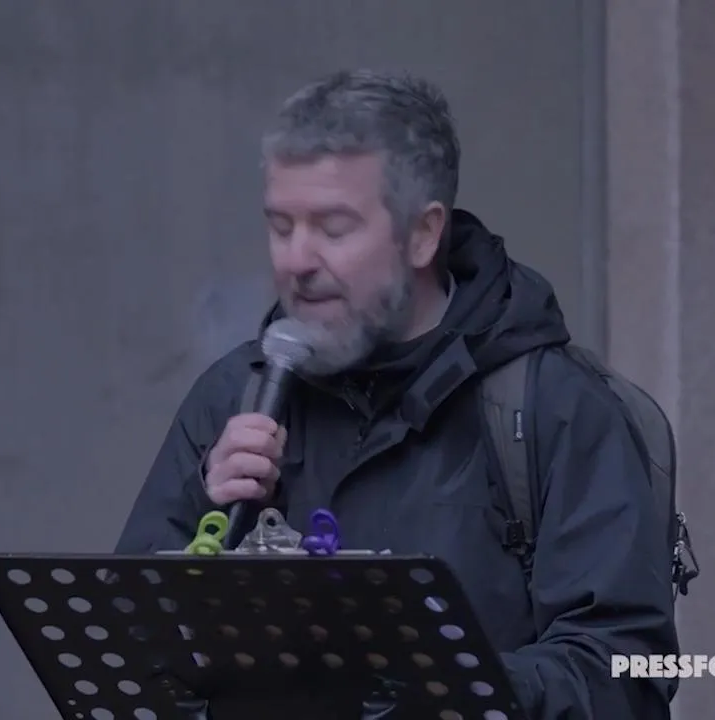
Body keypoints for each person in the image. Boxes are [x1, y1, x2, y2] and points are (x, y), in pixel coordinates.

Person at [115, 69, 679, 718]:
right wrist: (208, 534)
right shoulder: (234, 397)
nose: (296, 260)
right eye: (280, 226)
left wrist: (438, 688)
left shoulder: (555, 408)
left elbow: (624, 672)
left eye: (332, 228)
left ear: (422, 234)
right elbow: (130, 654)